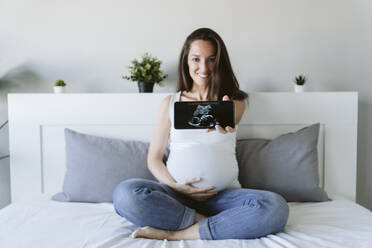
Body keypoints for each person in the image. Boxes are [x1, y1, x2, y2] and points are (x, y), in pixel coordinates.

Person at [112, 27, 289, 241]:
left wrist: (226, 118)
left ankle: (176, 234)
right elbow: (154, 158)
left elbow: (233, 116)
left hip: (224, 198)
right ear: (186, 62)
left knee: (276, 207)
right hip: (176, 197)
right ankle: (218, 223)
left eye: (211, 59)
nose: (204, 67)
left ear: (220, 63)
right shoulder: (170, 103)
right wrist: (176, 186)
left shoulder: (235, 101)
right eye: (196, 59)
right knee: (125, 194)